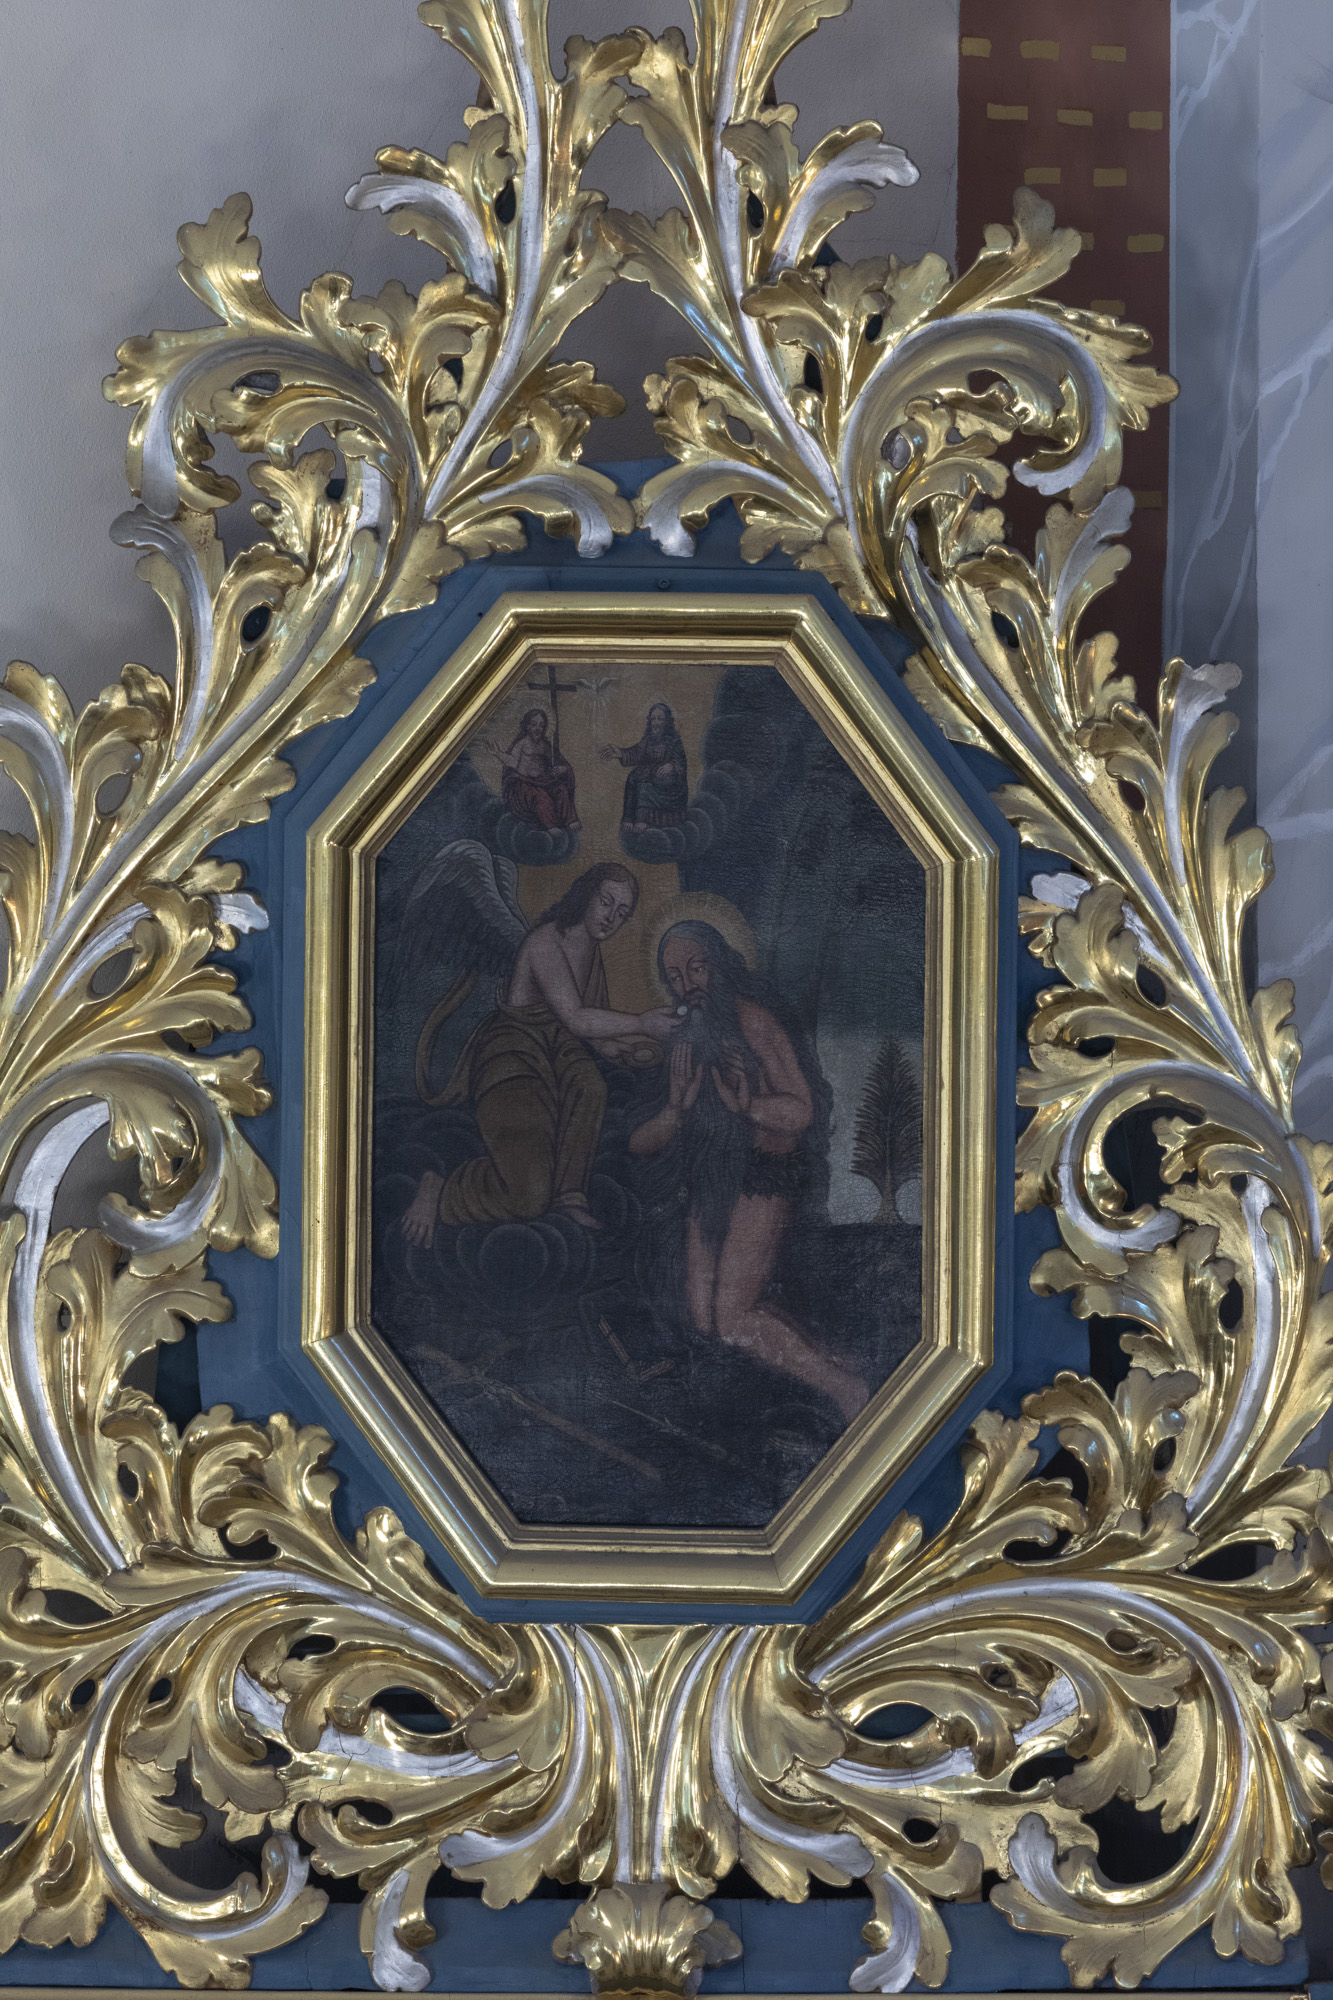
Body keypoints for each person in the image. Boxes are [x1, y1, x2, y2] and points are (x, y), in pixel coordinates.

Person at [628, 921, 868, 1421]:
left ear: (720, 964)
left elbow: (800, 1110)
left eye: (697, 968)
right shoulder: (682, 1038)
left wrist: (749, 1107)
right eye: (675, 977)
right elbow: (638, 1142)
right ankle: (829, 1375)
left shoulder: (754, 1023)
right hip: (710, 1177)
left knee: (733, 1318)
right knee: (704, 1320)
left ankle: (846, 1390)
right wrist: (674, 1111)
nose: (687, 984)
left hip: (762, 1174)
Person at [401, 863, 676, 1242]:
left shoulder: (592, 951)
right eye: (606, 902)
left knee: (591, 1085)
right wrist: (642, 1023)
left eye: (622, 913)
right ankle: (443, 1189)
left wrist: (623, 1052)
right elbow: (577, 1017)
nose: (611, 917)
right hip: (516, 1055)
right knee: (527, 1197)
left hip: (559, 1051)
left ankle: (569, 1196)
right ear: (586, 895)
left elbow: (591, 1031)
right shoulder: (546, 941)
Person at [486, 708, 580, 830]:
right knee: (540, 796)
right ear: (527, 726)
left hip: (543, 781)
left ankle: (570, 819)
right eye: (534, 724)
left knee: (561, 789)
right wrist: (498, 753)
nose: (538, 728)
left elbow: (557, 761)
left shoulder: (545, 746)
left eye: (541, 725)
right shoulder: (522, 743)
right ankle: (550, 825)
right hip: (524, 783)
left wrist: (563, 768)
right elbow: (512, 762)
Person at [600, 701, 688, 831]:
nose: (656, 723)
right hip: (653, 776)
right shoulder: (649, 739)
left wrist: (672, 766)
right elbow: (636, 752)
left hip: (670, 788)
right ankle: (629, 818)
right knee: (633, 777)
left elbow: (682, 764)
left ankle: (643, 819)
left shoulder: (674, 741)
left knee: (644, 786)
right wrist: (621, 753)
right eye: (653, 719)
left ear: (667, 721)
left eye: (660, 719)